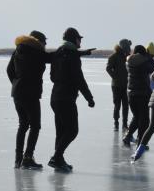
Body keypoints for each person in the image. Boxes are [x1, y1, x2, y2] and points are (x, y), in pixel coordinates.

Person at [48, 28, 95, 172]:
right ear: (73, 39)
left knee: (61, 131)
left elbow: (52, 76)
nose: (80, 41)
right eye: (79, 38)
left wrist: (84, 53)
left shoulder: (59, 53)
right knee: (72, 130)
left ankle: (59, 160)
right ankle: (56, 157)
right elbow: (79, 79)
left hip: (55, 97)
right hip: (66, 98)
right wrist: (89, 98)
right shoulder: (72, 56)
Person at [6, 30, 49, 170]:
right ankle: (28, 158)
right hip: (30, 94)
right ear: (38, 41)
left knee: (23, 124)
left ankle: (18, 159)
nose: (45, 44)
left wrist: (16, 83)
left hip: (17, 93)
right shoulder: (35, 51)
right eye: (44, 41)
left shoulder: (19, 50)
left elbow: (9, 70)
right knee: (35, 126)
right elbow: (51, 57)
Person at [123, 44, 154, 146]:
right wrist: (149, 57)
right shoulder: (145, 63)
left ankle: (128, 136)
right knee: (145, 120)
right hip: (143, 94)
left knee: (137, 117)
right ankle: (141, 142)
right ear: (144, 53)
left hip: (131, 93)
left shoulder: (128, 62)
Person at [106, 38, 131, 132]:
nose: (129, 48)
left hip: (126, 85)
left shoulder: (128, 57)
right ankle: (116, 123)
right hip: (116, 85)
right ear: (123, 46)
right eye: (127, 46)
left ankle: (125, 124)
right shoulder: (114, 56)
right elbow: (108, 68)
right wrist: (115, 77)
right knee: (117, 105)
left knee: (126, 105)